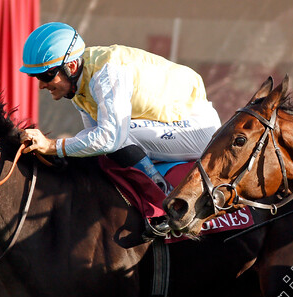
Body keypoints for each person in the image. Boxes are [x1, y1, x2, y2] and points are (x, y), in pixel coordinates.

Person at [18, 22, 221, 238]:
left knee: (116, 136)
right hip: (171, 126)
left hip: (197, 129)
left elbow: (109, 138)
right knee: (100, 143)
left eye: (47, 75)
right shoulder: (79, 86)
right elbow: (92, 141)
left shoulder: (106, 74)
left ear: (72, 67)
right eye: (36, 77)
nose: (41, 85)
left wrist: (51, 145)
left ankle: (166, 207)